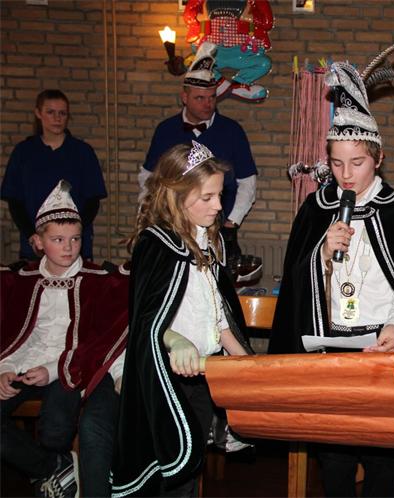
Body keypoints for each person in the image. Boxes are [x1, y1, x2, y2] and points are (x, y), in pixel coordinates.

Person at [268, 59, 394, 497]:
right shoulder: (316, 209)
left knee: (382, 458)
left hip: (381, 349)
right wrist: (321, 255)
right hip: (330, 352)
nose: (346, 175)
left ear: (378, 159)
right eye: (337, 163)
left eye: (357, 163)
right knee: (336, 457)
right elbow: (298, 287)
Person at [112, 142, 252, 496]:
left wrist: (248, 364)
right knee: (169, 472)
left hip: (205, 374)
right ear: (176, 196)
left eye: (219, 195)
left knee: (189, 473)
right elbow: (148, 319)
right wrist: (174, 340)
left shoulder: (208, 241)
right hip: (167, 380)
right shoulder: (156, 245)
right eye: (207, 197)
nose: (218, 206)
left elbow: (219, 317)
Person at [0, 180, 128, 498]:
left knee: (55, 431)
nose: (68, 247)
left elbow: (102, 337)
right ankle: (54, 468)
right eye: (58, 240)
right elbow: (14, 332)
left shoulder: (97, 281)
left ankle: (54, 466)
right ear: (37, 242)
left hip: (70, 369)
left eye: (75, 239)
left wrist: (52, 371)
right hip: (24, 365)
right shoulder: (24, 280)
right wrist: (5, 368)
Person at [138, 43, 258, 267]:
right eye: (200, 98)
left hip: (216, 228)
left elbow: (247, 182)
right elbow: (148, 178)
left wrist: (231, 224)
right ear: (185, 97)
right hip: (171, 229)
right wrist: (148, 216)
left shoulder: (232, 131)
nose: (208, 104)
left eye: (212, 97)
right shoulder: (165, 130)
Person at [1, 89, 107, 261]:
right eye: (50, 112)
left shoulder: (82, 152)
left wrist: (73, 233)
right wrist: (32, 235)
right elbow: (15, 201)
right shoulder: (23, 152)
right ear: (38, 113)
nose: (57, 118)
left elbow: (92, 201)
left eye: (62, 113)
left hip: (73, 249)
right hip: (35, 248)